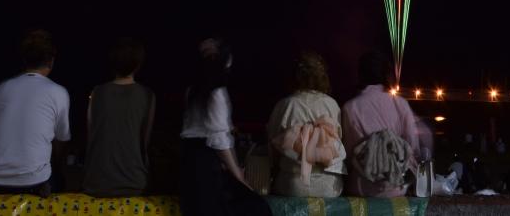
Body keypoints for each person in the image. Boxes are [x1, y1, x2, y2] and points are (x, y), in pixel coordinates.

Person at [0, 29, 70, 196]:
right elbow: (61, 140)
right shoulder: (58, 92)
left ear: (24, 60)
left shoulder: (1, 89)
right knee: (59, 179)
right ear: (51, 61)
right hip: (33, 182)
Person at [180, 37, 270, 216]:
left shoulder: (192, 91)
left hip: (190, 161)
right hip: (205, 163)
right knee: (256, 207)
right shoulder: (216, 93)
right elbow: (219, 141)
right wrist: (238, 175)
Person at [341, 51, 420, 198]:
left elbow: (347, 152)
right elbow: (412, 145)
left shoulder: (349, 107)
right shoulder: (401, 104)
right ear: (386, 74)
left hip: (361, 187)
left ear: (360, 74)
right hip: (396, 186)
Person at [83, 37, 155, 196]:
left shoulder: (96, 92)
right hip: (134, 181)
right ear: (138, 65)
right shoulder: (147, 95)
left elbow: (91, 135)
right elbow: (145, 141)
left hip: (96, 182)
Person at [267, 51, 345, 198]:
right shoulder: (332, 105)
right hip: (329, 186)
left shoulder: (286, 104)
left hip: (292, 184)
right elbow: (339, 141)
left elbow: (273, 148)